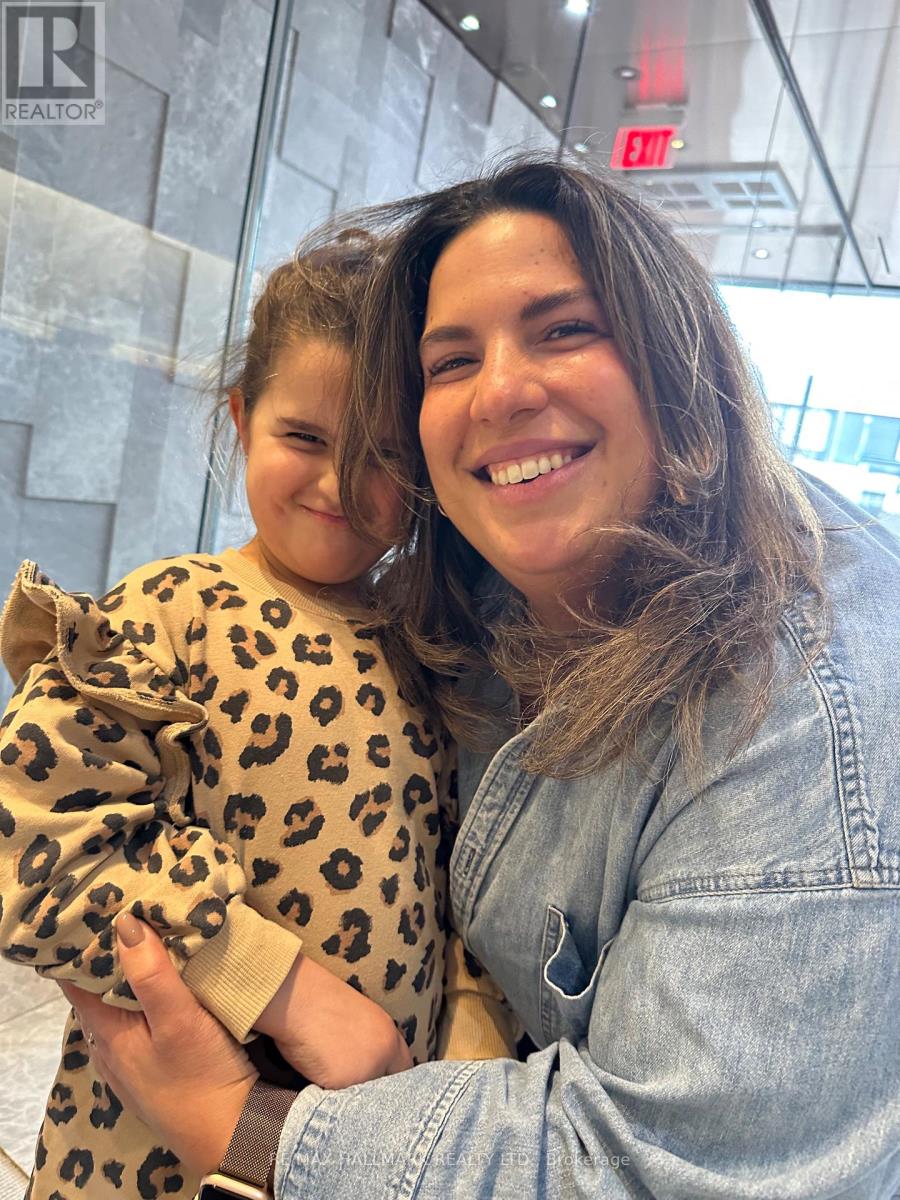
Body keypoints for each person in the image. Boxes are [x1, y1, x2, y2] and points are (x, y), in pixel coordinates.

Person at [62, 157, 900, 1198]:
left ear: (681, 357)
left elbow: (656, 1169)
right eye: (452, 359)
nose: (500, 391)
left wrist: (242, 1127)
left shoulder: (802, 711)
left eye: (565, 328)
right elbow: (45, 827)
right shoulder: (445, 601)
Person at [0, 238, 516, 1200]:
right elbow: (32, 846)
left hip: (357, 1154)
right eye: (305, 438)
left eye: (381, 457)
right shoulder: (170, 612)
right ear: (242, 421)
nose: (337, 485)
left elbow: (463, 891)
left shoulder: (430, 650)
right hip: (142, 1151)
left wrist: (458, 1069)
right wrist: (282, 990)